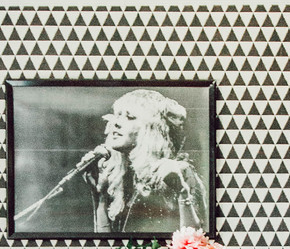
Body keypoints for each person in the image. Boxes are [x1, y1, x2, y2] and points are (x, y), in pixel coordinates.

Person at [77, 89, 208, 233]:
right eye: (117, 116)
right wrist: (99, 197)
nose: (116, 123)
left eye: (130, 117)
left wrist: (183, 192)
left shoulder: (179, 171)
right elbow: (107, 246)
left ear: (151, 129)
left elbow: (196, 242)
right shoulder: (122, 177)